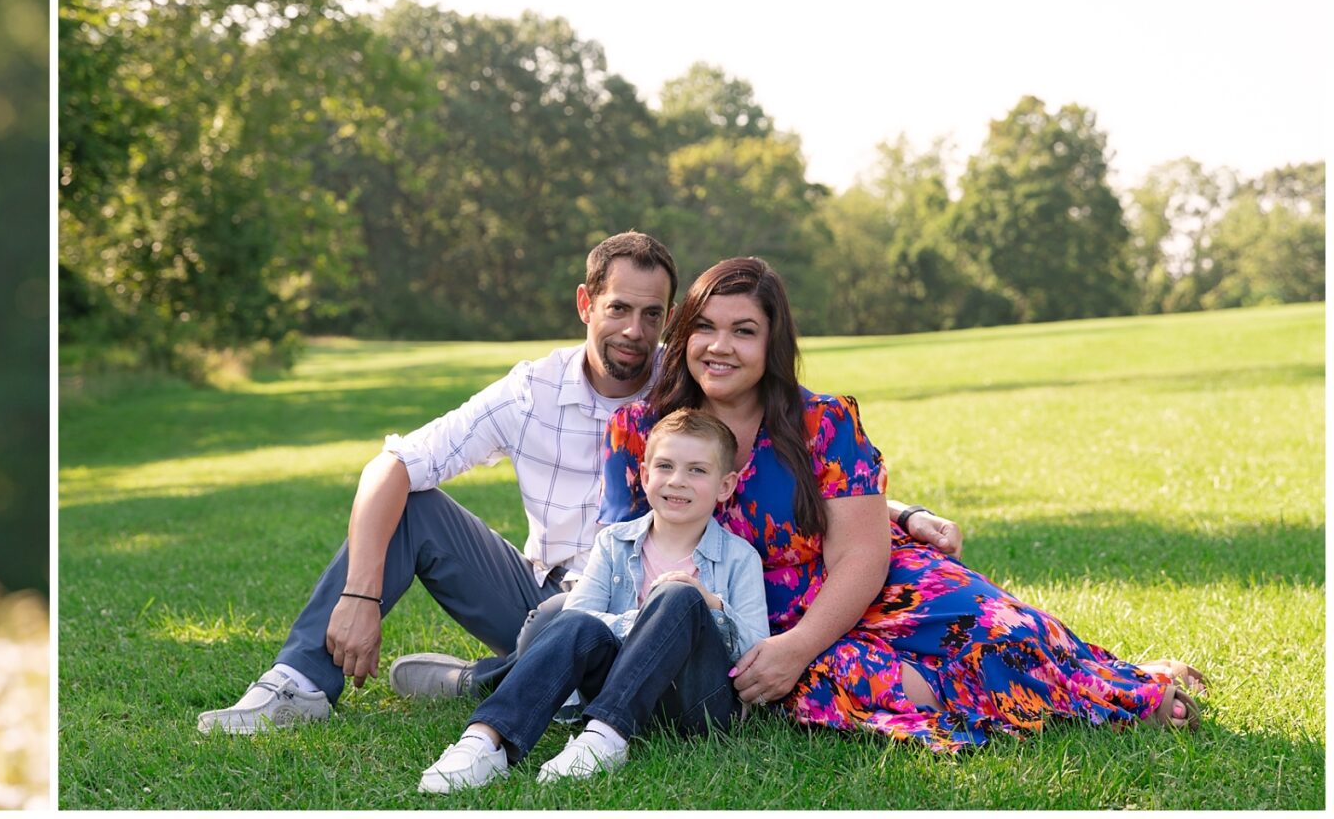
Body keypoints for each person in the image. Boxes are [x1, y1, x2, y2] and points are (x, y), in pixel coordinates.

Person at [196, 230, 967, 733]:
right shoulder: (531, 390)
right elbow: (391, 464)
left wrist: (901, 511)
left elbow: (774, 465)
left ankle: (487, 682)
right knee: (415, 502)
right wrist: (363, 596)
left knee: (628, 615)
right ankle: (298, 682)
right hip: (550, 598)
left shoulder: (690, 381)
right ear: (585, 305)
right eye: (619, 309)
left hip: (657, 605)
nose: (636, 331)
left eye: (653, 315)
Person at [601, 256, 1206, 752]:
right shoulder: (638, 429)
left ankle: (1115, 682)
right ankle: (1083, 689)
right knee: (847, 684)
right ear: (684, 334)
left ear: (772, 342)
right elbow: (625, 550)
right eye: (705, 326)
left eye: (744, 330)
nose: (719, 347)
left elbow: (863, 553)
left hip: (863, 585)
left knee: (1001, 631)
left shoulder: (822, 421)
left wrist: (800, 644)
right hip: (753, 614)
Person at [418, 408, 764, 792]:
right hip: (619, 687)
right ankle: (484, 741)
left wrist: (706, 604)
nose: (678, 481)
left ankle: (605, 737)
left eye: (697, 470)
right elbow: (579, 621)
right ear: (646, 475)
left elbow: (756, 652)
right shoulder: (613, 543)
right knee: (577, 622)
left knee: (679, 596)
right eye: (665, 466)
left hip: (697, 705)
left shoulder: (740, 557)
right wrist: (649, 623)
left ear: (725, 485)